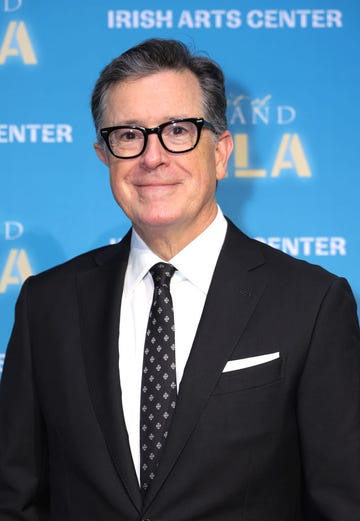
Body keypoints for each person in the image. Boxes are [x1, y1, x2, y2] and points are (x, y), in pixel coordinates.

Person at [0, 38, 359, 521]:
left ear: (221, 152)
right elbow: (16, 496)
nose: (152, 157)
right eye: (129, 135)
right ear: (104, 155)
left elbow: (342, 502)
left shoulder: (312, 302)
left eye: (177, 131)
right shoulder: (47, 303)